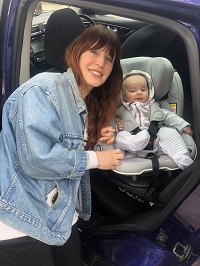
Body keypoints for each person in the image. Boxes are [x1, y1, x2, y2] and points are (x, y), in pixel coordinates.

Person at [0, 24, 124, 266]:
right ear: (76, 51)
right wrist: (97, 159)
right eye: (94, 52)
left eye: (109, 58)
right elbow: (38, 160)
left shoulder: (82, 100)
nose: (101, 63)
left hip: (59, 215)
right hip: (19, 219)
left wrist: (92, 137)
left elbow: (62, 138)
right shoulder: (44, 89)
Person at [115, 70, 194, 170]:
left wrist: (182, 125)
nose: (139, 93)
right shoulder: (122, 112)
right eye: (133, 91)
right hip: (133, 142)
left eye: (143, 89)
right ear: (124, 95)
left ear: (150, 91)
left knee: (170, 132)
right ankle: (135, 142)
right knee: (120, 136)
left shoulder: (153, 107)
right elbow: (115, 127)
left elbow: (169, 116)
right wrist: (119, 127)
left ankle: (182, 157)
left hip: (157, 139)